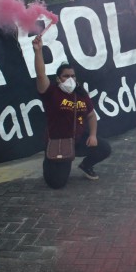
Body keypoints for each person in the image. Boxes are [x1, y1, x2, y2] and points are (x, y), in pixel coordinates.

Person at [33, 34, 111, 188]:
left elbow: (91, 115)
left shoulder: (81, 94)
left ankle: (86, 166)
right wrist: (38, 51)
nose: (70, 79)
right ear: (58, 78)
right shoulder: (51, 92)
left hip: (78, 140)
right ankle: (50, 163)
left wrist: (93, 135)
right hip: (59, 143)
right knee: (56, 183)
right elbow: (41, 74)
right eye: (66, 76)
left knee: (104, 148)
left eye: (73, 76)